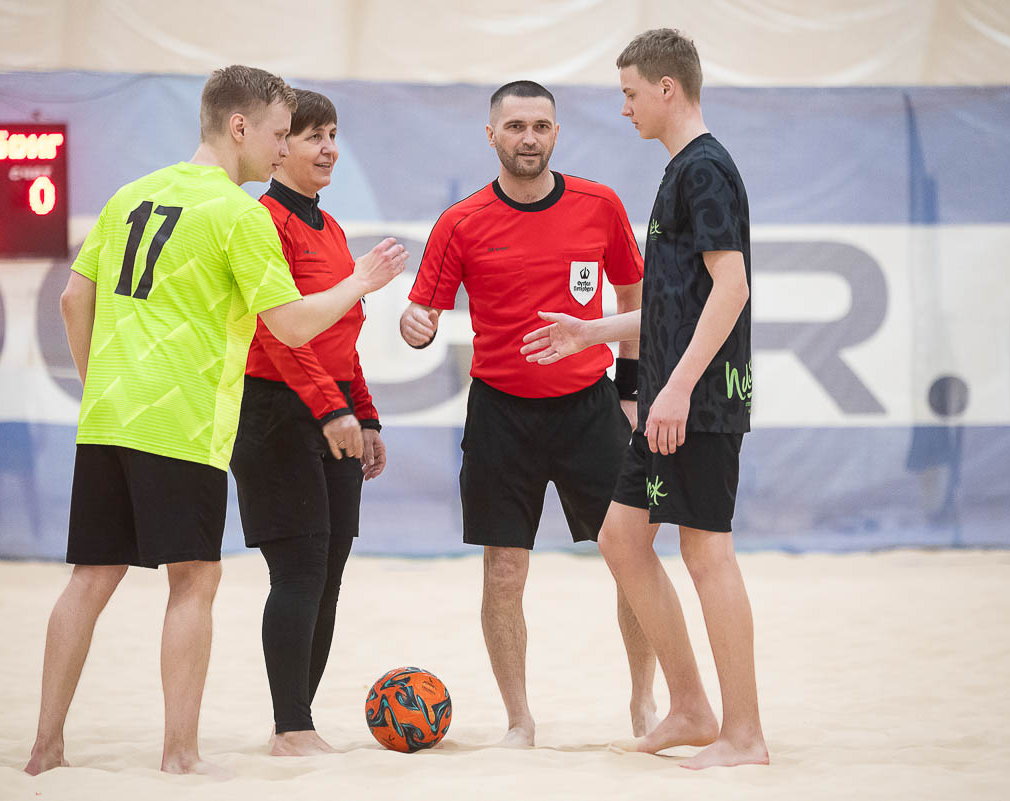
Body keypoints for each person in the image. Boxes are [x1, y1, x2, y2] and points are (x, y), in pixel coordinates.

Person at [24, 66, 407, 776]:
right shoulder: (240, 214)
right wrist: (359, 281)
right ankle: (180, 754)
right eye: (279, 133)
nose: (283, 147)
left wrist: (98, 385)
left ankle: (45, 749)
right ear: (239, 128)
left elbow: (74, 300)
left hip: (108, 416)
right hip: (183, 420)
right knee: (194, 582)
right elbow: (291, 327)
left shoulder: (130, 193)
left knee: (89, 578)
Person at [521, 29, 768, 769]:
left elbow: (731, 288)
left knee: (707, 553)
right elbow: (676, 306)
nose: (624, 107)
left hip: (696, 401)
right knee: (621, 539)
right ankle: (690, 707)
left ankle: (744, 734)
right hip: (670, 398)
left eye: (630, 93)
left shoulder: (704, 169)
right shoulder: (679, 170)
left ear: (668, 87)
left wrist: (679, 389)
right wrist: (591, 331)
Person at [399, 80, 656, 747]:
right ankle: (519, 720)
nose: (529, 138)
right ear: (492, 136)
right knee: (504, 571)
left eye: (541, 126)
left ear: (556, 133)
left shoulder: (600, 205)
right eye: (515, 127)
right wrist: (414, 325)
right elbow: (421, 311)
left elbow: (634, 295)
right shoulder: (461, 221)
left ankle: (644, 702)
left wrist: (630, 389)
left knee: (632, 558)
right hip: (501, 415)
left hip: (590, 408)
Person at [231, 89, 387, 757]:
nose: (328, 149)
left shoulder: (331, 228)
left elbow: (340, 336)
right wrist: (330, 408)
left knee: (328, 572)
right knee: (297, 569)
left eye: (332, 135)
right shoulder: (264, 222)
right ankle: (290, 727)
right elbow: (279, 336)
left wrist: (364, 414)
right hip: (276, 414)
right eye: (312, 136)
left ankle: (300, 722)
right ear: (278, 148)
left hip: (334, 411)